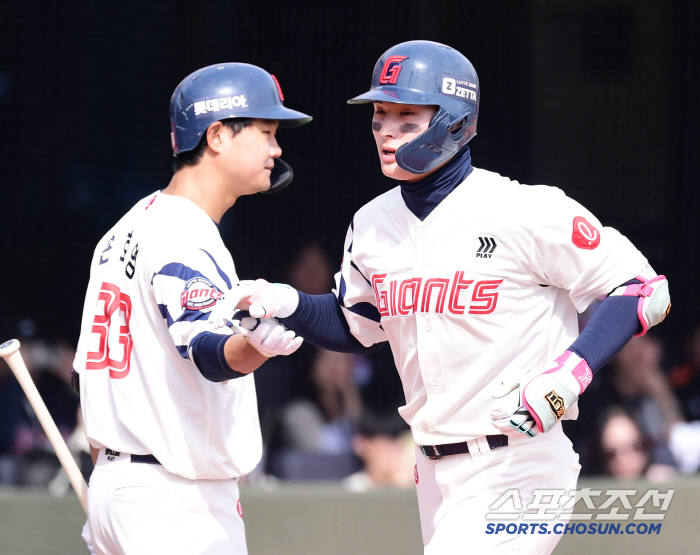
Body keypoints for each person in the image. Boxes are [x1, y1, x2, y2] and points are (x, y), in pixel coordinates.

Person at [211, 41, 671, 554]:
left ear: (453, 119)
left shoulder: (521, 208)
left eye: (406, 117)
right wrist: (289, 303)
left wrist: (570, 373)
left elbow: (644, 289)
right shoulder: (372, 224)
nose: (386, 130)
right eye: (380, 115)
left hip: (520, 461)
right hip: (432, 469)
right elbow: (357, 324)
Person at [72, 63, 310, 555]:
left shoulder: (124, 228)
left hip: (122, 488)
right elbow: (207, 351)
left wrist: (111, 495)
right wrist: (254, 346)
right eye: (266, 131)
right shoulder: (183, 234)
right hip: (175, 502)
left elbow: (90, 376)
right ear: (217, 135)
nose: (277, 148)